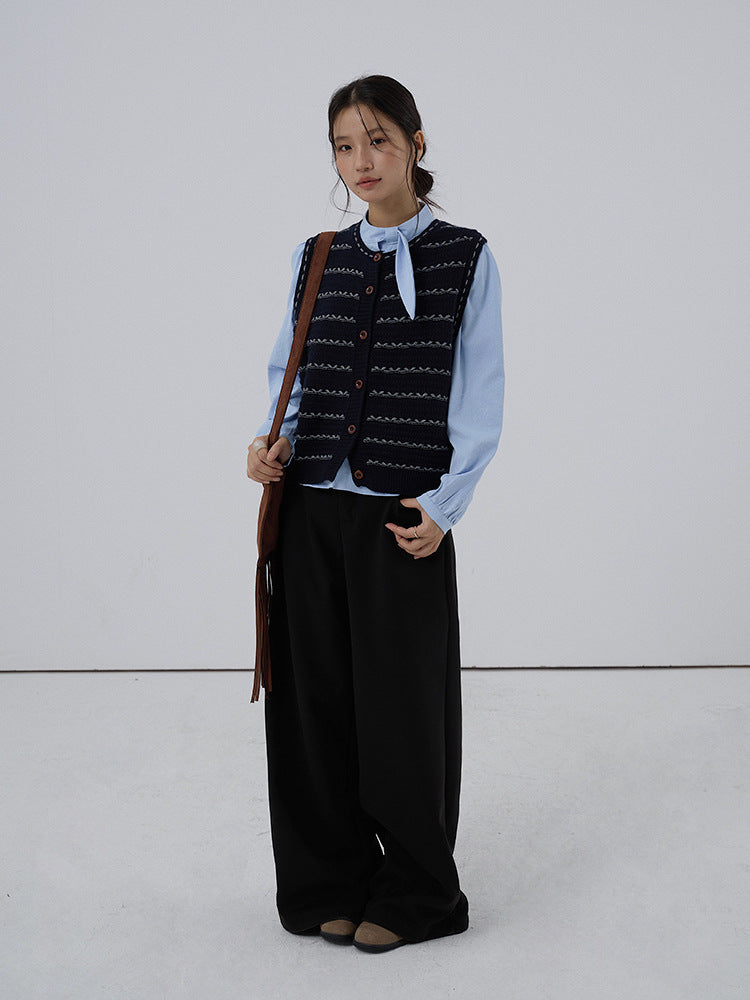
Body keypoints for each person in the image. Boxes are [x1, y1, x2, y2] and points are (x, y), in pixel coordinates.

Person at [246, 74, 505, 954]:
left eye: (379, 140)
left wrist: (445, 506)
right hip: (311, 510)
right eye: (345, 146)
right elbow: (291, 372)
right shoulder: (317, 254)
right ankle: (327, 879)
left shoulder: (465, 255)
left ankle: (418, 890)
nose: (361, 160)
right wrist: (269, 445)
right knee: (312, 708)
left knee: (401, 714)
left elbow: (479, 396)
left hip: (404, 519)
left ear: (415, 145)